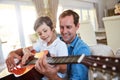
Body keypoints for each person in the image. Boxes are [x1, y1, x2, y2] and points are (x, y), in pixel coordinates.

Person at [34, 10, 91, 80]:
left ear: (77, 26)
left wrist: (52, 76)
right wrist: (25, 51)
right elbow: (32, 48)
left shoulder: (82, 50)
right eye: (61, 27)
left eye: (68, 27)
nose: (64, 32)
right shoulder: (55, 40)